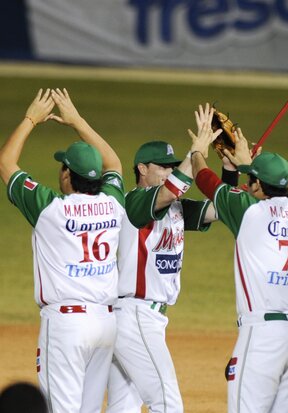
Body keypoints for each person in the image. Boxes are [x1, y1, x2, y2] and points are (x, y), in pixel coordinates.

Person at [0, 89, 125, 412]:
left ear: (67, 174)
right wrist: (77, 121)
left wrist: (31, 118)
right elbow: (113, 162)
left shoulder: (50, 210)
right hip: (106, 323)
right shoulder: (112, 202)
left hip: (67, 326)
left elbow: (6, 163)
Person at [190, 103, 288, 413]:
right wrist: (240, 167)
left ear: (256, 184)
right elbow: (250, 194)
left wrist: (198, 149)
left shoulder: (249, 211)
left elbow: (202, 178)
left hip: (264, 336)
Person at [106, 135, 239, 411]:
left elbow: (221, 209)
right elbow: (169, 191)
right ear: (142, 169)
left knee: (123, 406)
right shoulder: (135, 202)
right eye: (162, 166)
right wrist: (195, 153)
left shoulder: (174, 207)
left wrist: (229, 169)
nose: (168, 171)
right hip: (135, 316)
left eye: (171, 166)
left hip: (140, 319)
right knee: (168, 403)